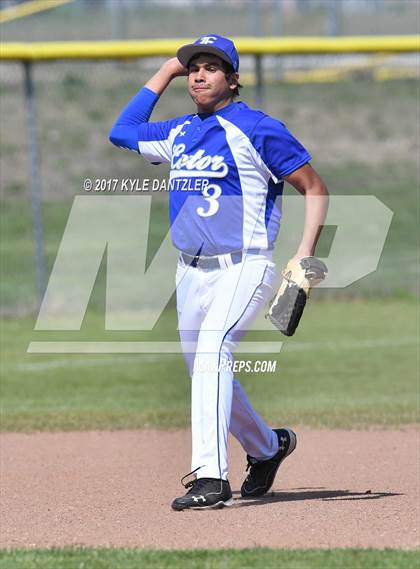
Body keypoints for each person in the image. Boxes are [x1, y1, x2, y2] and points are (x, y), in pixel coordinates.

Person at [109, 34, 329, 511]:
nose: (200, 74)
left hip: (244, 265)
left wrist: (304, 255)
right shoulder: (181, 132)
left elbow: (314, 187)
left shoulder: (257, 128)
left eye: (211, 67)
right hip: (190, 273)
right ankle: (269, 447)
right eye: (193, 68)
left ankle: (210, 476)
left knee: (212, 354)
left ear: (233, 79)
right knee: (206, 369)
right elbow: (122, 130)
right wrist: (165, 70)